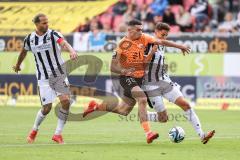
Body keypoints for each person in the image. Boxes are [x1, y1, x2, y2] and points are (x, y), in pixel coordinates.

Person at [83, 19, 190, 144]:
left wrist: (180, 46)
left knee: (124, 111)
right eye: (138, 30)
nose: (141, 32)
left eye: (142, 29)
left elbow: (161, 41)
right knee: (142, 99)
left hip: (139, 79)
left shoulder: (144, 38)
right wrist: (125, 71)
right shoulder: (122, 45)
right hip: (126, 77)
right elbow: (113, 67)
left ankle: (95, 106)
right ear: (130, 30)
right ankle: (148, 133)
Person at [143, 22, 215, 144]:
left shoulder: (161, 44)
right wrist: (180, 46)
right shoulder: (148, 42)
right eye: (162, 34)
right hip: (151, 84)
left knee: (186, 105)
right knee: (163, 118)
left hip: (165, 81)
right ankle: (144, 115)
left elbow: (165, 44)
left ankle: (202, 135)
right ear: (156, 31)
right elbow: (143, 63)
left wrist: (179, 46)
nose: (164, 37)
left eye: (166, 35)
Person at [13, 13, 78, 144]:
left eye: (47, 22)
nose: (47, 24)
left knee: (65, 101)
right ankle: (34, 130)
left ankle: (58, 134)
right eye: (44, 23)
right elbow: (24, 52)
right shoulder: (30, 39)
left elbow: (63, 43)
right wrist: (18, 65)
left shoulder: (53, 34)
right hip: (43, 78)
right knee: (46, 108)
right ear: (36, 24)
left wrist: (71, 51)